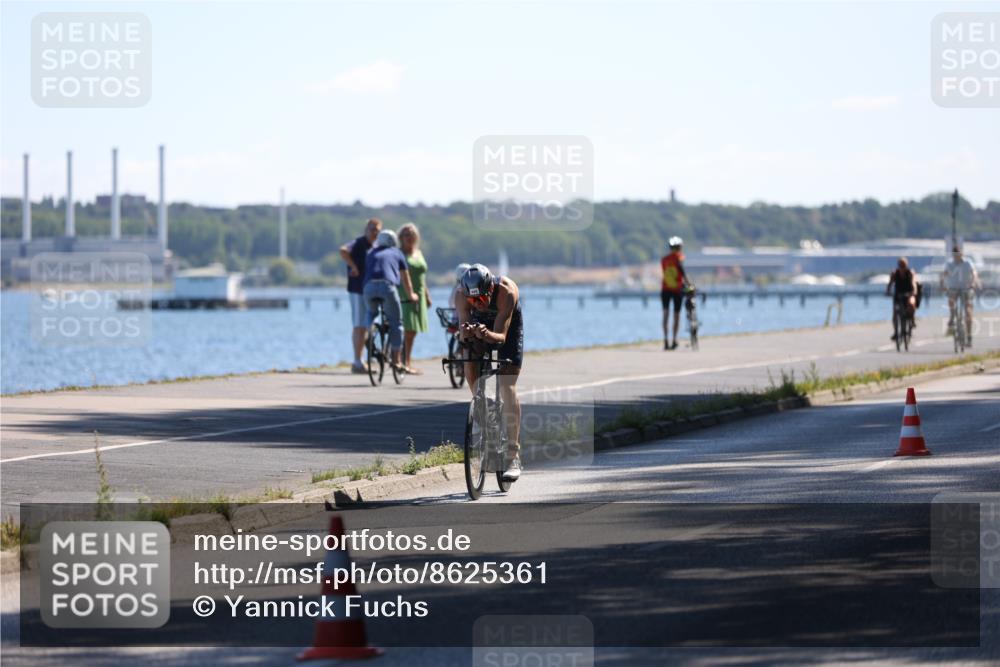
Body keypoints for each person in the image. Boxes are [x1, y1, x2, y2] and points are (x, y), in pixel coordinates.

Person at [455, 264, 524, 482]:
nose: (478, 304)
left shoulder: (506, 292)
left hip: (506, 327)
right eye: (473, 301)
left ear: (490, 290)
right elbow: (462, 334)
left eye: (482, 299)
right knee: (469, 356)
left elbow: (501, 338)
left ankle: (513, 455)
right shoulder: (461, 296)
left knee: (507, 383)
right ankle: (481, 405)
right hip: (480, 324)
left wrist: (486, 333)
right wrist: (465, 334)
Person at [362, 230, 419, 370]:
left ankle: (369, 329)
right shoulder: (397, 253)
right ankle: (396, 359)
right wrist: (411, 295)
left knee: (371, 312)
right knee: (396, 322)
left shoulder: (370, 253)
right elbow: (405, 278)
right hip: (387, 287)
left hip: (368, 287)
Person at [340, 218, 382, 373]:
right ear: (366, 230)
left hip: (373, 290)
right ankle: (357, 362)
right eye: (371, 229)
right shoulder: (359, 243)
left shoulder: (377, 246)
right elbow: (343, 250)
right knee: (359, 326)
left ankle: (367, 356)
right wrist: (353, 266)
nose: (374, 232)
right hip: (358, 289)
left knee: (370, 325)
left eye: (377, 229)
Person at [397, 223, 431, 374]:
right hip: (404, 293)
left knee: (413, 331)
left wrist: (427, 295)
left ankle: (407, 362)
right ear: (401, 238)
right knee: (406, 329)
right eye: (406, 234)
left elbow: (422, 277)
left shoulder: (419, 252)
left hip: (420, 293)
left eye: (412, 234)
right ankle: (399, 361)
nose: (409, 237)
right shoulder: (398, 254)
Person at [940, 245, 980, 347]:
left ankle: (969, 336)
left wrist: (974, 282)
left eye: (958, 254)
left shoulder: (968, 262)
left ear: (961, 253)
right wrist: (942, 284)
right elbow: (944, 274)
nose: (956, 257)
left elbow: (974, 273)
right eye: (955, 255)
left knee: (968, 311)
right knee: (951, 299)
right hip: (953, 288)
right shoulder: (950, 263)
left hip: (966, 288)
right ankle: (952, 315)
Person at [660, 236, 689, 350]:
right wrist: (687, 282)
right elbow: (681, 270)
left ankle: (665, 340)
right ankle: (674, 339)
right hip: (677, 289)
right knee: (676, 315)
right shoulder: (679, 257)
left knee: (665, 314)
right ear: (679, 247)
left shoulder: (664, 259)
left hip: (665, 289)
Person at [886, 257, 917, 342]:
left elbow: (914, 284)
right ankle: (896, 332)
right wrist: (888, 291)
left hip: (908, 293)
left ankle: (912, 319)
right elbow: (890, 284)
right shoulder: (894, 273)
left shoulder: (910, 273)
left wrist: (914, 292)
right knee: (895, 313)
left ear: (906, 266)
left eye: (903, 266)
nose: (902, 267)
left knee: (911, 304)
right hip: (898, 295)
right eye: (900, 265)